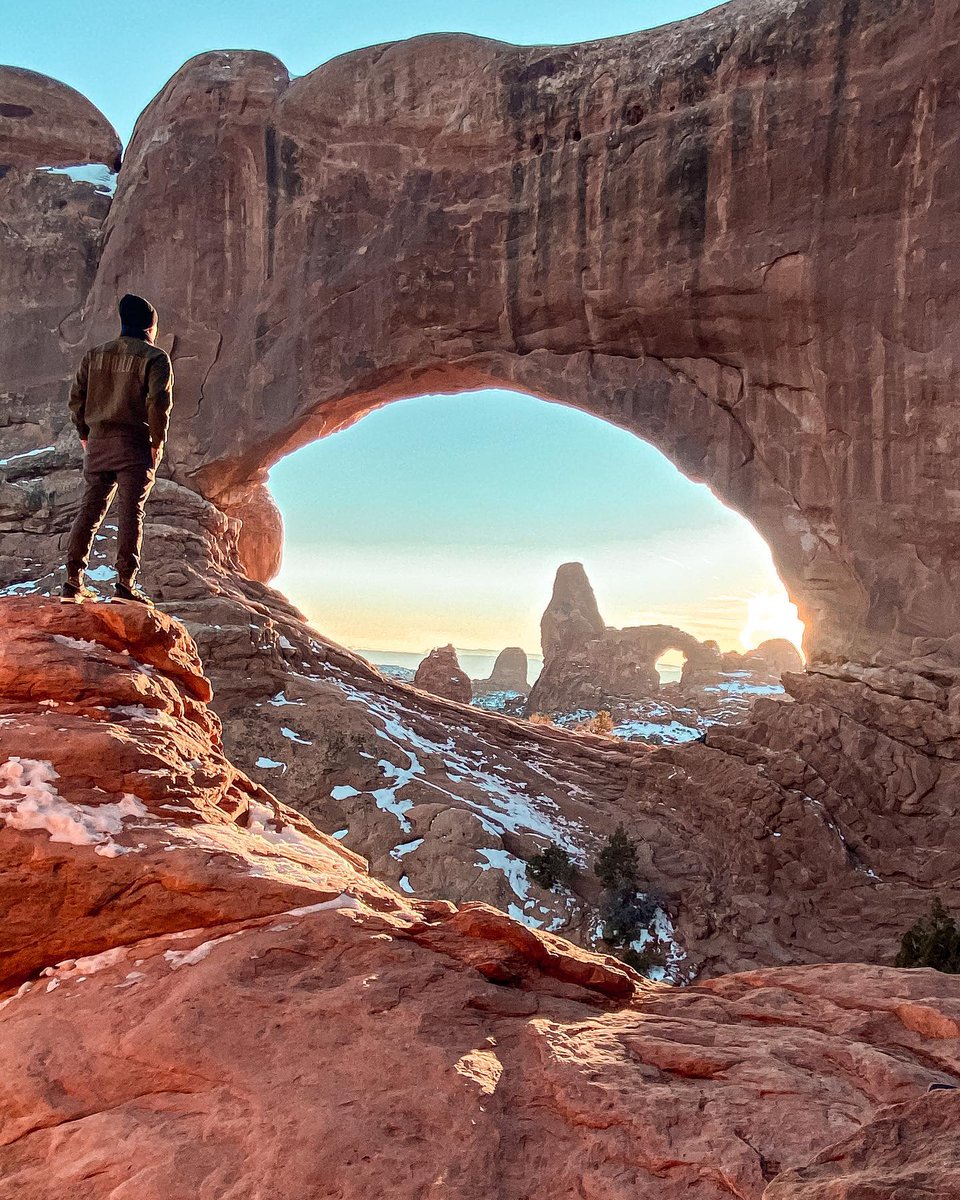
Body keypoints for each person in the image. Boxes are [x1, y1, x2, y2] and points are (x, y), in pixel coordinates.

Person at [62, 293, 173, 606]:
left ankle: (72, 581)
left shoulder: (94, 355)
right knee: (130, 511)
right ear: (149, 328)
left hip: (97, 444)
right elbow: (158, 403)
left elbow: (76, 401)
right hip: (134, 446)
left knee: (90, 510)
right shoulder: (155, 358)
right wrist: (157, 443)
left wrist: (86, 435)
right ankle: (125, 584)